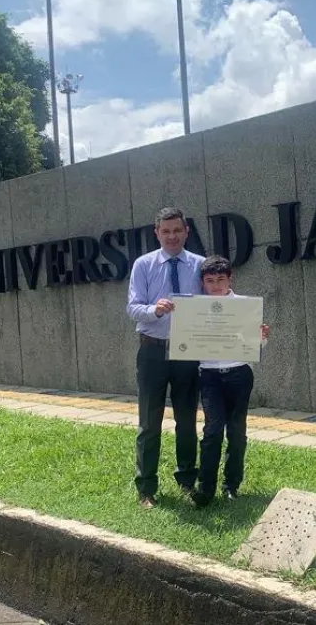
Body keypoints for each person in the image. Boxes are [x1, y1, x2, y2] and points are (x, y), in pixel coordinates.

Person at [126, 207, 204, 509]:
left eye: (177, 230)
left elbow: (216, 301)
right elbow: (133, 307)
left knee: (186, 419)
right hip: (153, 350)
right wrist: (154, 310)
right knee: (149, 422)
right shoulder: (143, 265)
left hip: (187, 351)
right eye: (166, 231)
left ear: (186, 232)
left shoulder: (199, 264)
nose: (172, 236)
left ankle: (187, 482)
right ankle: (146, 488)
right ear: (157, 233)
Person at [191, 255, 270, 508]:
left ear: (230, 279)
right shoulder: (195, 308)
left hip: (239, 374)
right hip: (209, 375)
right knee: (212, 430)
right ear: (203, 283)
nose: (216, 285)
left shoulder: (245, 306)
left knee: (236, 432)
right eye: (210, 281)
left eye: (220, 279)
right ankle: (205, 489)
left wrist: (261, 337)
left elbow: (255, 346)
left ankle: (231, 486)